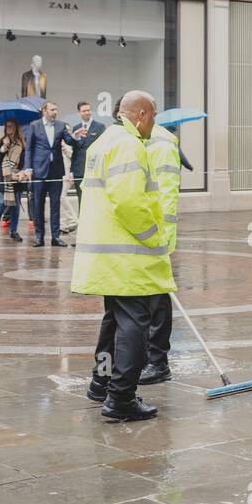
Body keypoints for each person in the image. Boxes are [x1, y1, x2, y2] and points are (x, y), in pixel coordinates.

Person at [72, 90, 175, 422]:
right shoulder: (130, 144)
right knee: (134, 326)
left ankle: (100, 382)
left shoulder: (102, 141)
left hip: (105, 254)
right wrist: (153, 238)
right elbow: (130, 202)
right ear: (141, 115)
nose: (154, 123)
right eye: (154, 116)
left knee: (113, 321)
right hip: (126, 257)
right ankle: (120, 397)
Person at [141, 120, 183, 385]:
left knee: (157, 300)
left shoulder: (161, 144)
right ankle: (147, 357)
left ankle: (158, 362)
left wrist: (160, 238)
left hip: (155, 235)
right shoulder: (140, 140)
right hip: (143, 233)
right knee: (146, 299)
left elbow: (167, 195)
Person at [22, 101, 72, 247]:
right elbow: (29, 149)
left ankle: (55, 237)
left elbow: (69, 141)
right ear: (44, 111)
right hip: (39, 171)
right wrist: (28, 168)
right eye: (52, 109)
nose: (55, 112)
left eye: (56, 109)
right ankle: (39, 237)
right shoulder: (34, 125)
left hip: (56, 170)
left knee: (55, 204)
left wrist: (74, 136)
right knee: (38, 205)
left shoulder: (61, 125)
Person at [0, 119, 25, 243]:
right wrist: (3, 148)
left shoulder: (22, 144)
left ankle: (13, 231)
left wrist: (20, 172)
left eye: (11, 126)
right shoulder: (1, 142)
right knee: (0, 204)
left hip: (16, 179)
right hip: (2, 178)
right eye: (7, 127)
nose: (9, 129)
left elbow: (23, 162)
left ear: (16, 128)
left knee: (15, 207)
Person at [68, 100, 105, 205]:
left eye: (88, 110)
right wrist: (71, 171)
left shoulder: (99, 127)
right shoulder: (76, 128)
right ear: (79, 113)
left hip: (94, 169)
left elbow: (102, 148)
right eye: (84, 111)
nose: (87, 112)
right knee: (81, 198)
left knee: (94, 199)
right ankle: (82, 221)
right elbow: (74, 150)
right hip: (79, 170)